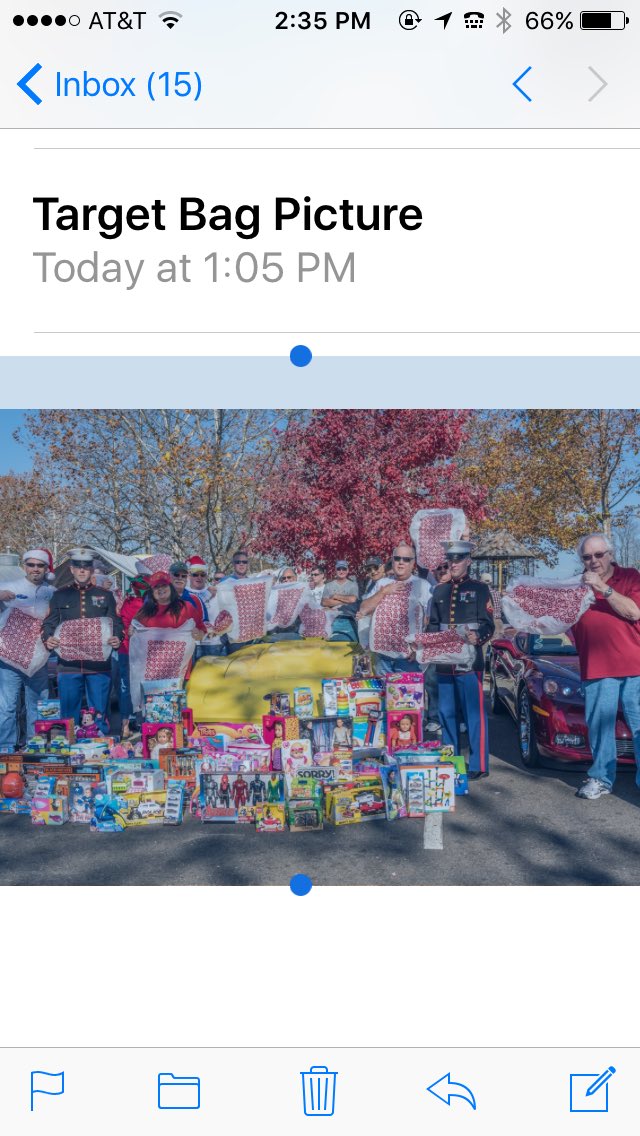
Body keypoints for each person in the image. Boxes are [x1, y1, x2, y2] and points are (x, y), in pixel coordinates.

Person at [572, 532, 640, 800]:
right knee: (600, 727)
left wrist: (602, 588)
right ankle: (601, 778)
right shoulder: (576, 586)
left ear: (610, 555)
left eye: (599, 554)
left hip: (635, 666)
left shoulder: (631, 577)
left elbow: (634, 611)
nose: (594, 560)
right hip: (598, 667)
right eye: (587, 557)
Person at [427, 540, 495, 780]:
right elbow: (433, 625)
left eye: (458, 559)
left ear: (468, 560)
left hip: (469, 661)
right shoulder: (439, 591)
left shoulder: (479, 589)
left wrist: (479, 636)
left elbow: (489, 624)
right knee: (446, 714)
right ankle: (451, 760)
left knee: (474, 714)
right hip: (445, 662)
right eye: (450, 560)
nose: (453, 564)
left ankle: (478, 763)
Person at [41, 548, 123, 727]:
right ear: (72, 569)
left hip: (98, 665)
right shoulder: (60, 595)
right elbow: (49, 623)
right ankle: (70, 749)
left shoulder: (106, 595)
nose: (82, 570)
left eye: (86, 566)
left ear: (92, 569)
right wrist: (48, 638)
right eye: (78, 567)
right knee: (69, 716)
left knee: (99, 713)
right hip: (68, 665)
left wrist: (117, 638)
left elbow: (116, 622)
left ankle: (100, 749)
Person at [0, 548, 56, 750]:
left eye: (40, 565)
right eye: (31, 564)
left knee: (39, 705)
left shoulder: (52, 592)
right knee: (7, 706)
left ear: (46, 568)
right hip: (8, 659)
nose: (35, 569)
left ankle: (36, 744)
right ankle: (5, 747)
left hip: (38, 659)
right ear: (24, 566)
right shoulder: (8, 585)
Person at [359, 542, 431, 676]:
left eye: (406, 559)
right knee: (385, 695)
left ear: (413, 563)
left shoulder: (423, 585)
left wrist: (420, 648)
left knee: (408, 696)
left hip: (408, 657)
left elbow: (430, 621)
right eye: (397, 558)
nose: (401, 562)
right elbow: (364, 609)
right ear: (392, 561)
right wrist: (383, 592)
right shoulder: (382, 583)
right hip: (383, 655)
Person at [118, 575, 148, 737]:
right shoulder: (145, 604)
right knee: (138, 686)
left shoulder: (127, 602)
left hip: (126, 649)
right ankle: (139, 721)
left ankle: (126, 724)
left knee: (127, 687)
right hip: (137, 651)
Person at [322, 560, 360, 642]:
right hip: (331, 621)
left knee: (350, 645)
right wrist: (345, 601)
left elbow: (353, 600)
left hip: (348, 619)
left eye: (344, 569)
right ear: (335, 570)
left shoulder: (353, 585)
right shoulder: (328, 585)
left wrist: (335, 596)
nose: (341, 571)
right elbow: (324, 602)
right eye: (339, 569)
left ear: (348, 570)